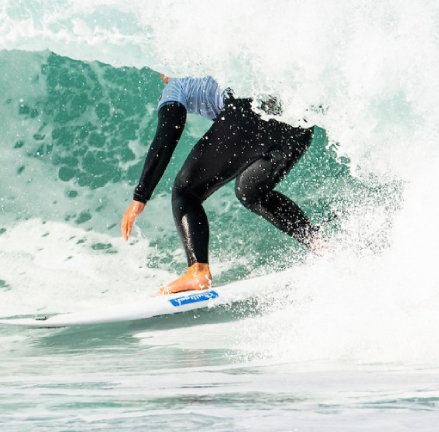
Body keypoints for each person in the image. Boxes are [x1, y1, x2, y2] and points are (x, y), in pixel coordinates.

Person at [120, 74, 318, 294]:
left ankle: (198, 271)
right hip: (298, 124)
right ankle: (320, 243)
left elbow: (167, 135)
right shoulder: (219, 64)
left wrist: (140, 196)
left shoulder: (175, 86)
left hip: (248, 111)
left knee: (186, 192)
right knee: (251, 193)